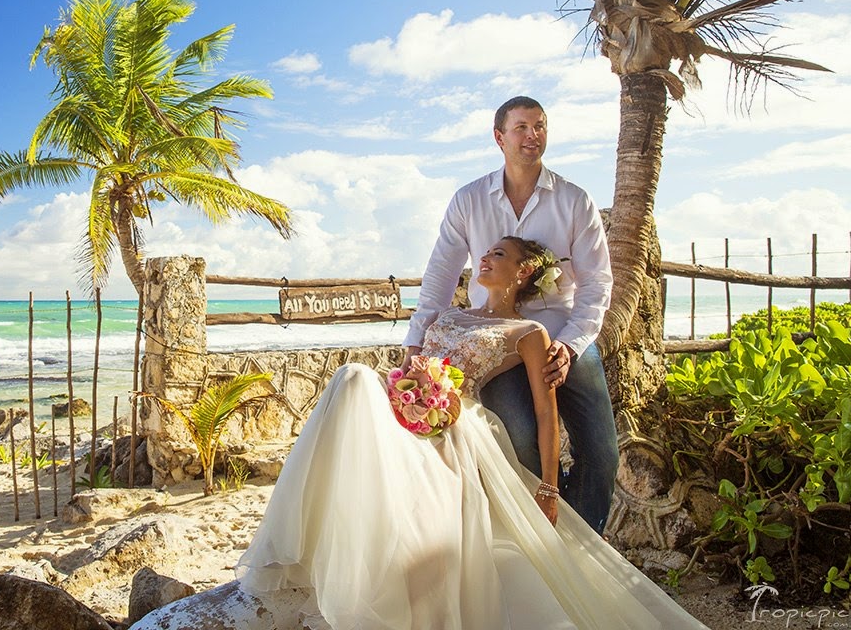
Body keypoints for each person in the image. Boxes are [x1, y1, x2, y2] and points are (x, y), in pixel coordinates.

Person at [131, 238, 706, 630]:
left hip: (452, 425)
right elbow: (407, 365)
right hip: (405, 401)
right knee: (354, 382)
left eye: (498, 255)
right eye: (485, 252)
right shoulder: (445, 314)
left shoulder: (528, 331)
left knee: (352, 379)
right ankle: (302, 553)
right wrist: (405, 389)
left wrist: (550, 487)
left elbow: (545, 411)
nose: (484, 259)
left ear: (523, 272)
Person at [404, 95, 618, 534]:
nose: (532, 135)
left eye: (540, 126)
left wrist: (571, 346)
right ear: (499, 137)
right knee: (521, 443)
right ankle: (544, 540)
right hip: (500, 344)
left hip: (563, 336)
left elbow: (597, 283)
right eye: (521, 127)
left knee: (601, 452)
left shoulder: (574, 201)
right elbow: (441, 275)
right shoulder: (468, 200)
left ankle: (581, 547)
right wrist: (414, 341)